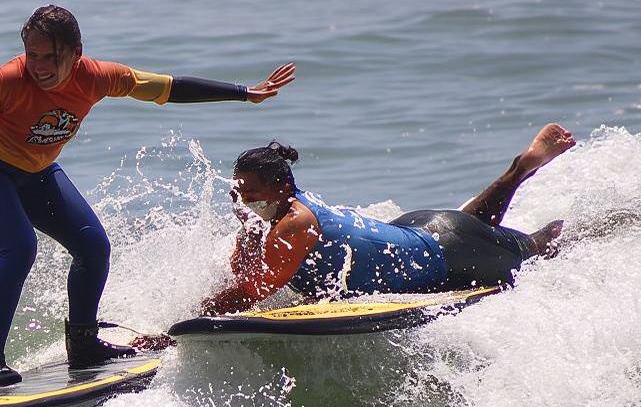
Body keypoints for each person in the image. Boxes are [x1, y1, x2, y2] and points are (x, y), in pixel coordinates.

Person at [0, 5, 295, 387]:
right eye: (32, 54)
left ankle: (84, 344)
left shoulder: (99, 77)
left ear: (76, 53)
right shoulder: (7, 80)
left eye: (50, 57)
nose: (40, 66)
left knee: (93, 245)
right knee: (18, 248)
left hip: (37, 171)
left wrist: (243, 93)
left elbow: (167, 88)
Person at [201, 123, 575, 314]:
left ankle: (587, 225)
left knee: (539, 246)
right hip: (418, 229)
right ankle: (520, 168)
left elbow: (251, 291)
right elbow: (247, 274)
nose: (244, 200)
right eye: (238, 192)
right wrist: (247, 229)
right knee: (472, 225)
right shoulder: (286, 209)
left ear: (280, 186)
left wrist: (178, 332)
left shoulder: (294, 223)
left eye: (251, 193)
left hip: (452, 250)